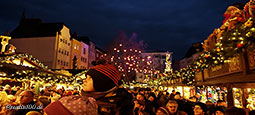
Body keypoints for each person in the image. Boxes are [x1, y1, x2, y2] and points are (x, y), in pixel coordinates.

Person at [44, 59, 133, 114]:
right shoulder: (85, 101)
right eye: (86, 77)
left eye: (90, 78)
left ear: (102, 83)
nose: (85, 80)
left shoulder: (109, 107)